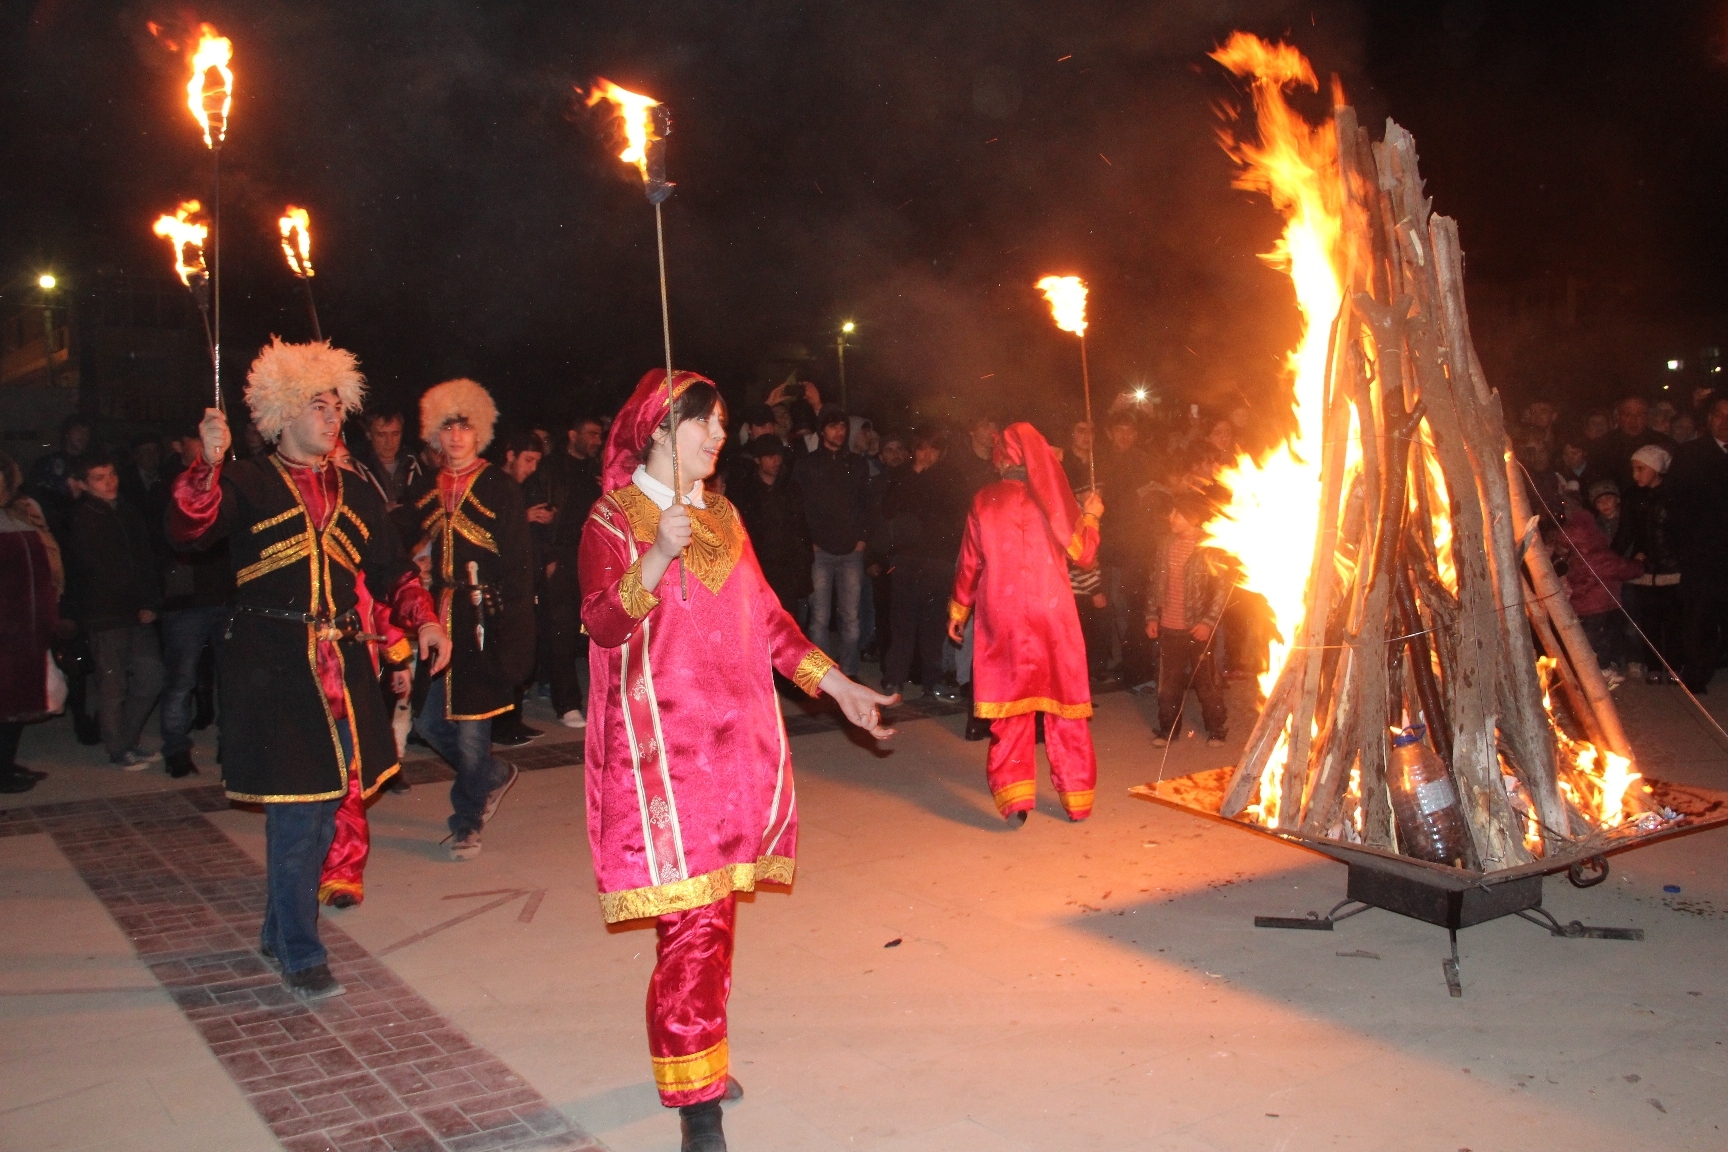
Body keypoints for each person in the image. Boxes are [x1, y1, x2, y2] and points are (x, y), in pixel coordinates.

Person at [580, 368, 895, 1152]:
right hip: (666, 757)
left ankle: (697, 1061)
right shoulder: (612, 517)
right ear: (658, 430)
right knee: (693, 927)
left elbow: (771, 623)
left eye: (720, 425)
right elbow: (603, 623)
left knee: (712, 921)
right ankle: (700, 1104)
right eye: (702, 425)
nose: (718, 438)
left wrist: (840, 687)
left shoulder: (723, 513)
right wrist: (654, 555)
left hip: (734, 750)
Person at [169, 338, 450, 1003]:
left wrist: (425, 618)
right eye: (318, 407)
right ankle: (300, 950)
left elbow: (390, 569)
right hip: (273, 668)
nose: (333, 420)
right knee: (297, 817)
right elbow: (190, 528)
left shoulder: (353, 486)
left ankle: (279, 928)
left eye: (336, 408)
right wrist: (205, 466)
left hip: (342, 667)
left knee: (326, 812)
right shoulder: (244, 478)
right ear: (279, 413)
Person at [947, 423, 1104, 825]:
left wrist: (958, 612)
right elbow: (1083, 553)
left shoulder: (983, 500)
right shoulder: (1052, 499)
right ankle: (1076, 799)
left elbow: (970, 562)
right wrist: (1092, 515)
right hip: (1052, 614)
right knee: (1065, 707)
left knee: (1010, 707)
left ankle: (1016, 801)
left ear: (1001, 456)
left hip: (1003, 612)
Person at [406, 379, 536, 861]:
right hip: (436, 620)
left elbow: (520, 568)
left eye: (465, 426)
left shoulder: (500, 488)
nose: (456, 436)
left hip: (483, 622)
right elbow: (399, 540)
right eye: (448, 427)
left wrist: (518, 638)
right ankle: (491, 775)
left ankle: (467, 821)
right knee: (426, 720)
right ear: (435, 434)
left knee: (471, 726)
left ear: (478, 431)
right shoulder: (426, 488)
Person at [68, 452, 166, 768]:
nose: (109, 482)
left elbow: (146, 561)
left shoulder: (127, 512)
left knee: (151, 676)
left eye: (112, 475)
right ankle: (117, 747)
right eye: (99, 477)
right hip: (106, 615)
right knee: (113, 686)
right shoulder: (81, 518)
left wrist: (150, 602)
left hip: (137, 613)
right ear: (83, 484)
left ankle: (126, 739)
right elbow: (93, 572)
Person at [1145, 491, 1232, 746]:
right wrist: (1152, 615)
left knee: (1207, 684)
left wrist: (1208, 622)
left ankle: (1216, 730)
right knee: (1168, 685)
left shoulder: (1211, 546)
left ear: (1192, 517)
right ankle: (1168, 730)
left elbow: (1222, 589)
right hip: (1170, 627)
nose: (1171, 517)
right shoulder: (1165, 544)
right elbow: (1155, 582)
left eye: (1177, 513)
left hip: (1198, 628)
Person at [0, 452, 62, 793]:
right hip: (5, 631)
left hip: (27, 630)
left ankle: (6, 763)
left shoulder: (18, 517)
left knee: (19, 703)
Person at [878, 432, 954, 698]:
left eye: (933, 450)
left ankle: (932, 681)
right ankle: (894, 678)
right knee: (903, 623)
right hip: (907, 559)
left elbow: (951, 516)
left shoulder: (948, 479)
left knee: (933, 625)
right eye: (923, 449)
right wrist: (914, 476)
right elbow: (889, 510)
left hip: (937, 561)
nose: (927, 456)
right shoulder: (901, 477)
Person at [800, 404, 872, 676]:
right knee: (819, 617)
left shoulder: (857, 463)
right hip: (820, 552)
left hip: (851, 551)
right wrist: (811, 541)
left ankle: (849, 673)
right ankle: (821, 676)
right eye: (833, 426)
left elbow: (866, 504)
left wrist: (862, 539)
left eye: (843, 427)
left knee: (850, 617)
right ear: (822, 430)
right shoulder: (808, 464)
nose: (839, 432)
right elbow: (802, 505)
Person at [543, 417, 605, 729]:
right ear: (572, 434)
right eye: (591, 434)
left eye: (599, 435)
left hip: (593, 557)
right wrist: (549, 556)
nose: (596, 440)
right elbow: (544, 513)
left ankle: (601, 699)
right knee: (562, 631)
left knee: (598, 628)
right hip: (563, 558)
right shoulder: (552, 467)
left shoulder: (598, 469)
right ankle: (566, 703)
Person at [491, 429, 552, 745]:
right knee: (505, 657)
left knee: (521, 654)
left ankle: (513, 719)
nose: (530, 468)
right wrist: (522, 518)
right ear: (510, 454)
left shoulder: (522, 488)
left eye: (536, 462)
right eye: (527, 460)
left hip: (524, 584)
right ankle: (501, 724)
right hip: (501, 587)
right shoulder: (493, 485)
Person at [1671, 395, 1728, 693]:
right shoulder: (1691, 454)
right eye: (1720, 415)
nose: (1726, 422)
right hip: (1704, 551)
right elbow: (1677, 503)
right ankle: (1696, 674)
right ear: (1709, 419)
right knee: (1700, 614)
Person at [1553, 500, 1643, 684]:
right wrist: (1640, 564)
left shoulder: (1576, 557)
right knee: (1604, 640)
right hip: (1603, 607)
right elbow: (1624, 569)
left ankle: (1598, 668)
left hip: (1583, 607)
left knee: (1592, 640)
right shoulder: (1601, 557)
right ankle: (1602, 670)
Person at [731, 437, 813, 616]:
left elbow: (801, 527)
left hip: (788, 567)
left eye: (778, 456)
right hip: (760, 566)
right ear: (757, 460)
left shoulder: (790, 488)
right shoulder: (746, 491)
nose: (776, 461)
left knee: (790, 618)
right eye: (770, 456)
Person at [1626, 444, 1683, 684]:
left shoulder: (1674, 497)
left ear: (1656, 469)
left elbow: (1681, 532)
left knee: (1672, 620)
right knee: (1648, 620)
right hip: (1645, 569)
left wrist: (1678, 559)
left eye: (1641, 469)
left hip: (1671, 569)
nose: (1635, 475)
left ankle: (1674, 665)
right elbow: (1631, 531)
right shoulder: (1635, 497)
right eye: (1634, 469)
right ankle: (1653, 665)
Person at [356, 409, 423, 510]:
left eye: (395, 434)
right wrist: (381, 511)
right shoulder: (356, 467)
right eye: (382, 435)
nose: (389, 442)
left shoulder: (413, 462)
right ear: (369, 434)